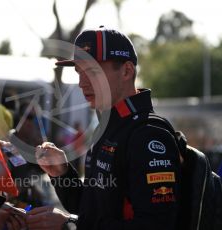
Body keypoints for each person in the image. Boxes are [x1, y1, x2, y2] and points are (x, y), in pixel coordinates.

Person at [35, 26, 181, 229]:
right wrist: (62, 173)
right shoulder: (110, 126)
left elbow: (156, 225)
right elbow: (91, 209)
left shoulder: (148, 134)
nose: (81, 83)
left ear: (127, 71)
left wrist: (71, 226)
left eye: (92, 71)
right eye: (79, 71)